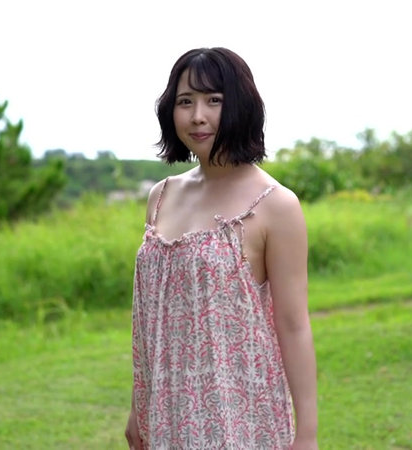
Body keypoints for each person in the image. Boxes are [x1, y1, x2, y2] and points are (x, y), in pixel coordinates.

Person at [125, 47, 318, 449]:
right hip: (168, 414)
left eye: (214, 100)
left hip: (242, 417)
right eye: (185, 101)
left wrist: (307, 434)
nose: (198, 115)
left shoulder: (275, 205)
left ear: (241, 106)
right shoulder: (161, 196)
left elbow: (293, 324)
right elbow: (150, 321)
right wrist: (137, 408)